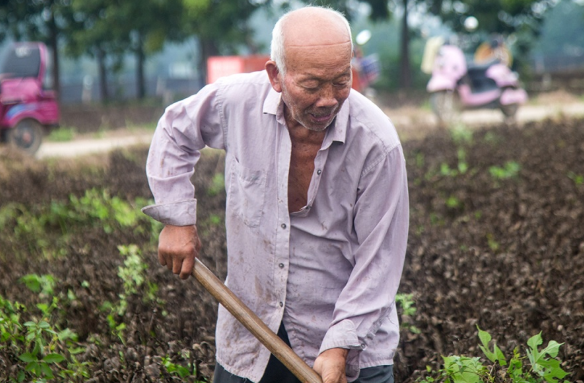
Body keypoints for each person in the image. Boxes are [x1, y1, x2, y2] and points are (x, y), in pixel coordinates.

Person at [143, 6, 409, 383]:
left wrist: (339, 345)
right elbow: (174, 130)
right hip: (250, 334)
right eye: (312, 85)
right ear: (276, 76)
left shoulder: (377, 144)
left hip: (350, 346)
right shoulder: (236, 103)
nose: (329, 99)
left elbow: (379, 262)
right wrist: (176, 220)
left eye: (340, 81)